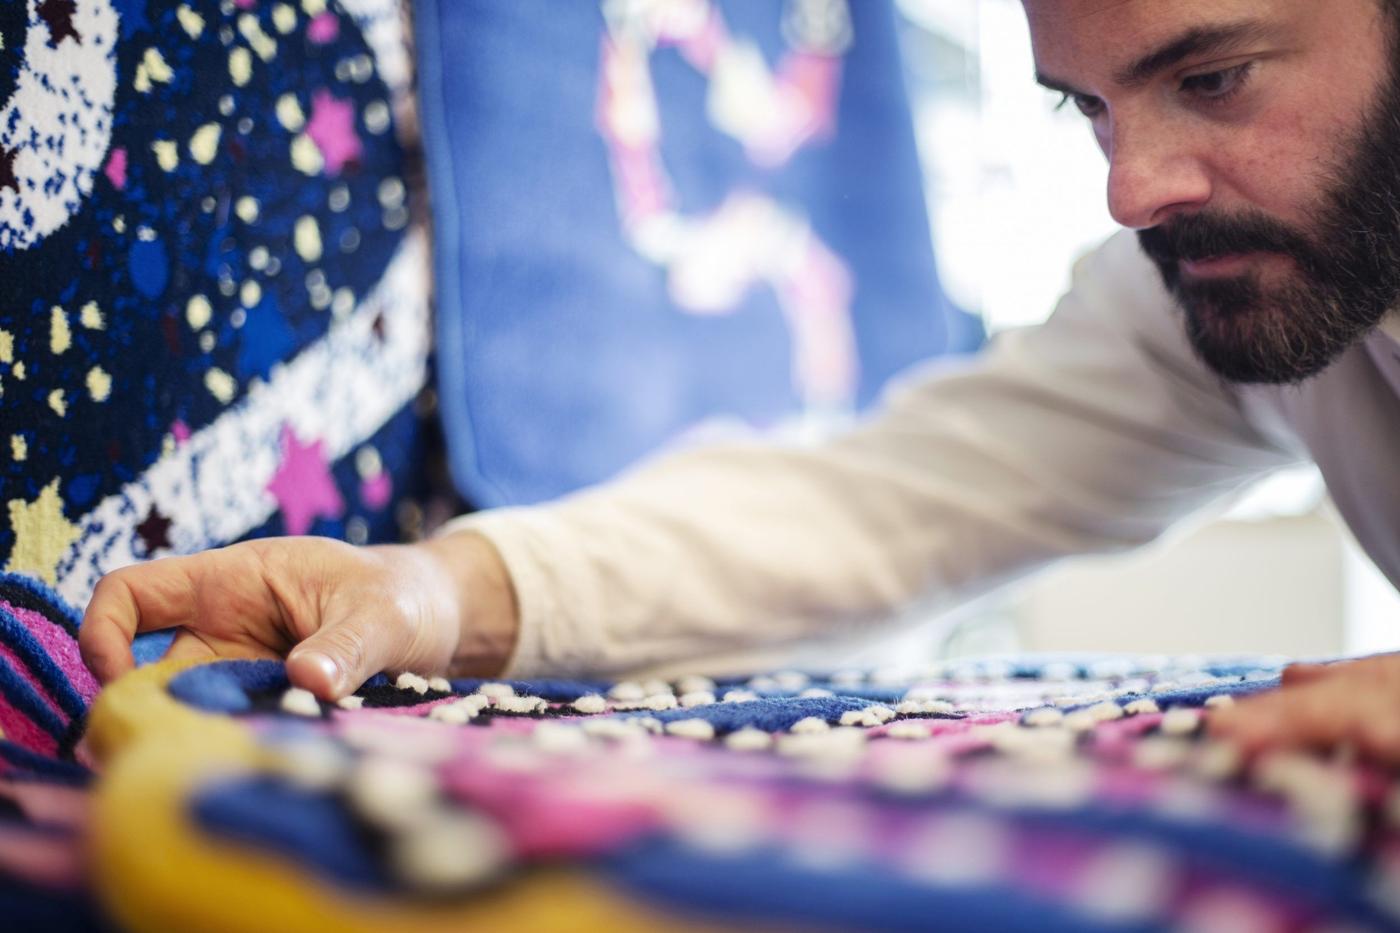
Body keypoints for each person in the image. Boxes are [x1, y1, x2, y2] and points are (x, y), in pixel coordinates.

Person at [79, 0, 1400, 760]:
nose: (1130, 190)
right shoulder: (1222, 285)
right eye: (1091, 109)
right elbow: (886, 504)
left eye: (1215, 79)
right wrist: (422, 591)